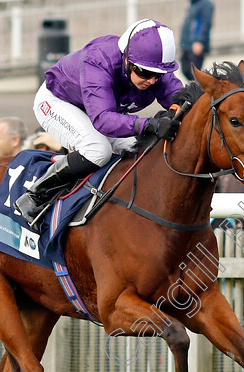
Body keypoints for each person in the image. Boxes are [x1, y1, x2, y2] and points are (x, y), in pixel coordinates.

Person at [14, 19, 184, 227]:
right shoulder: (98, 60)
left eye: (158, 75)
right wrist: (149, 124)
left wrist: (177, 112)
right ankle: (35, 196)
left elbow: (181, 99)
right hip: (57, 101)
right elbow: (103, 120)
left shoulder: (151, 67)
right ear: (128, 61)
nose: (151, 81)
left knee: (142, 149)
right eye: (145, 73)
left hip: (100, 110)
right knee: (98, 150)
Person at [179, 0, 214, 82]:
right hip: (187, 45)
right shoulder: (193, 4)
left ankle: (200, 92)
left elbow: (204, 24)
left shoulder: (205, 4)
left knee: (194, 73)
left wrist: (199, 41)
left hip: (195, 45)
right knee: (186, 70)